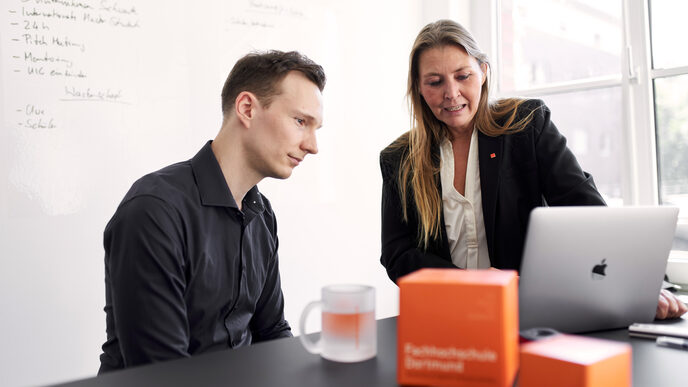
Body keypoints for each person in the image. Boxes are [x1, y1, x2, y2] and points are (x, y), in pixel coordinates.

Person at [379, 19, 686, 319]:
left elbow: (588, 213)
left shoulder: (526, 125)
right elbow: (397, 254)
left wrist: (641, 286)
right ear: (419, 88)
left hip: (525, 315)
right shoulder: (399, 157)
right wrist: (472, 282)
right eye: (435, 82)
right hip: (444, 317)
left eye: (463, 76)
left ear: (483, 73)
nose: (451, 93)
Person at [99, 50, 326, 372]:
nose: (312, 145)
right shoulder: (153, 211)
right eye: (301, 121)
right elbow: (163, 372)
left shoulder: (261, 213)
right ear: (247, 108)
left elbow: (271, 332)